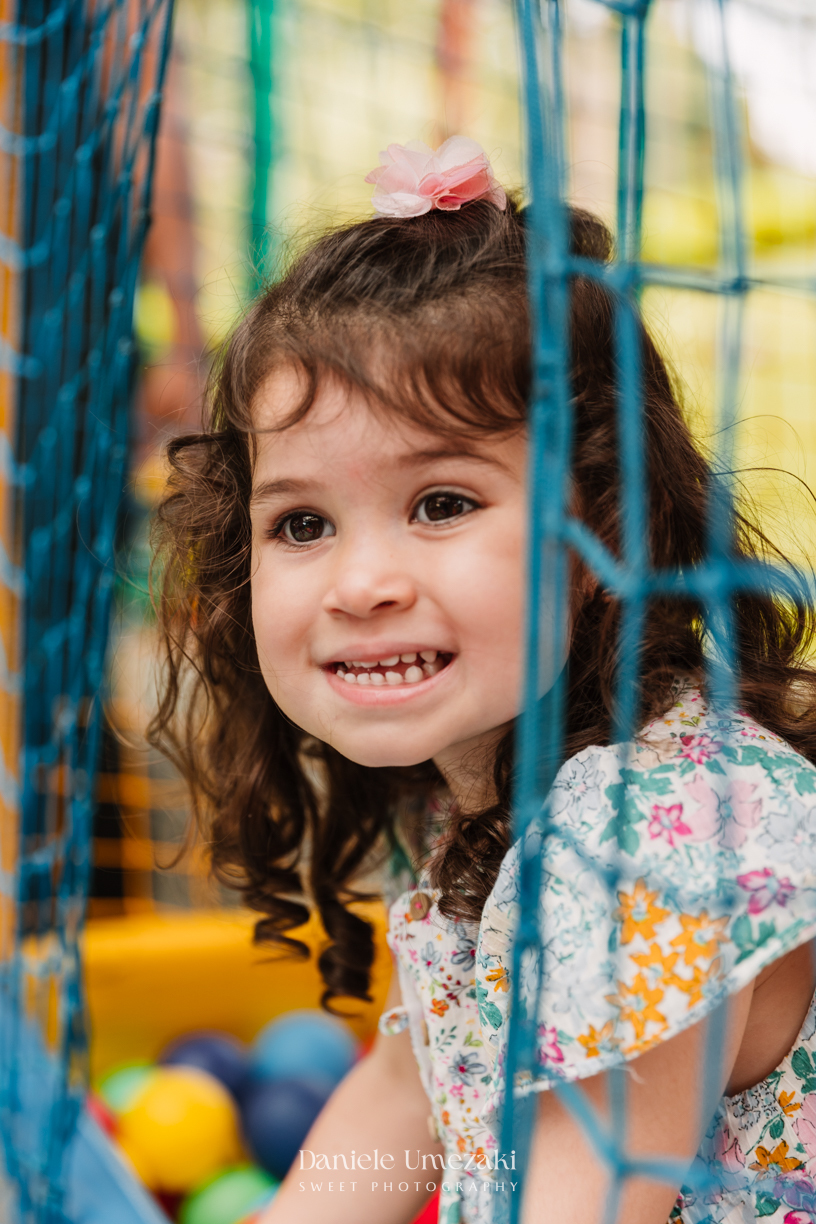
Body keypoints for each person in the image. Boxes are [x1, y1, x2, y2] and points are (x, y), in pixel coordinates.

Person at [149, 137, 816, 1224]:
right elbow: (403, 1094)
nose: (362, 583)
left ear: (601, 530)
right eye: (303, 523)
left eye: (443, 504)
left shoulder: (649, 835)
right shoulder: (472, 793)